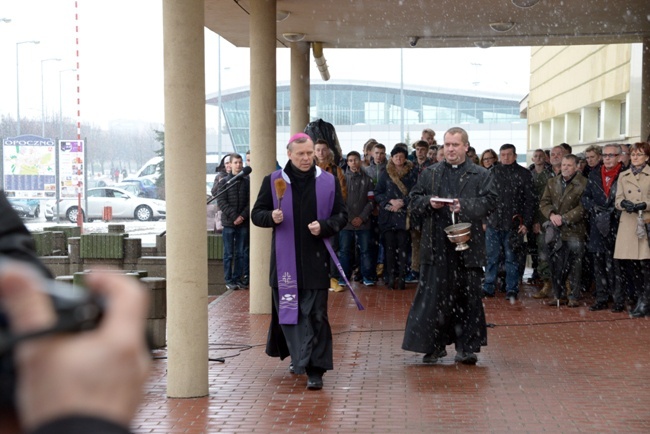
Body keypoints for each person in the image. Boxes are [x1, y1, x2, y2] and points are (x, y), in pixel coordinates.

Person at [251, 133, 347, 390]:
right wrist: (271, 216)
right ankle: (299, 357)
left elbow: (342, 215)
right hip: (285, 264)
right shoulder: (273, 181)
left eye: (310, 153)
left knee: (316, 316)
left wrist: (325, 226)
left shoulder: (327, 181)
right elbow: (256, 214)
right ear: (289, 154)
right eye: (301, 154)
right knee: (290, 315)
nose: (306, 158)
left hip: (315, 262)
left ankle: (316, 369)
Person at [402, 127, 497, 365]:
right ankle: (433, 346)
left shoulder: (480, 174)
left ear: (466, 146)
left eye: (455, 144)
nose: (450, 149)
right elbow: (413, 201)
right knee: (433, 298)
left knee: (468, 298)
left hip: (468, 246)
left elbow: (491, 202)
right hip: (435, 246)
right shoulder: (430, 173)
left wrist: (463, 205)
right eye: (447, 145)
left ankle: (466, 347)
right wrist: (429, 203)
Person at [482, 144, 536, 300]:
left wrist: (526, 222)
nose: (505, 157)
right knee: (491, 257)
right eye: (502, 154)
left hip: (514, 224)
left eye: (508, 154)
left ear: (515, 156)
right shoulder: (491, 173)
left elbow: (530, 201)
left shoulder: (524, 174)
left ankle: (511, 289)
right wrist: (484, 219)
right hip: (493, 222)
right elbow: (484, 199)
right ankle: (489, 287)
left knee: (512, 258)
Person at [539, 154, 587, 307]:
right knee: (556, 265)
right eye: (563, 165)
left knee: (575, 265)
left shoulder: (584, 183)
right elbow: (544, 202)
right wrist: (552, 214)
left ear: (576, 167)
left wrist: (565, 218)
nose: (565, 168)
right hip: (555, 231)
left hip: (574, 230)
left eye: (569, 165)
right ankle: (558, 295)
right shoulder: (552, 182)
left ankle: (573, 296)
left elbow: (583, 207)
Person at [582, 144, 624, 312]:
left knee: (616, 264)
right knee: (599, 264)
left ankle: (618, 299)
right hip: (597, 224)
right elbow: (585, 197)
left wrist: (614, 209)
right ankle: (602, 298)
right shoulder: (593, 174)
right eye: (605, 155)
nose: (607, 158)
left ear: (619, 157)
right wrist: (594, 207)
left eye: (611, 155)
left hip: (618, 224)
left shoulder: (625, 174)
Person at [614, 142, 650, 318]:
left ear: (647, 157)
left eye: (640, 154)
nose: (635, 157)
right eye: (633, 154)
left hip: (645, 222)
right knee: (632, 266)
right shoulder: (623, 175)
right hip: (628, 224)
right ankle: (639, 299)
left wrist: (645, 204)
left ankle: (645, 301)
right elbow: (618, 199)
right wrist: (624, 204)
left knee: (645, 265)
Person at [374, 146, 417, 290]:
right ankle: (390, 276)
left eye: (401, 156)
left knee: (403, 248)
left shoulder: (412, 173)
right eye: (396, 156)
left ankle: (403, 277)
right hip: (388, 216)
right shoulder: (385, 173)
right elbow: (377, 193)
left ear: (405, 159)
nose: (398, 159)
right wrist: (390, 201)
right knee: (389, 248)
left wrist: (402, 202)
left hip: (404, 216)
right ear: (391, 158)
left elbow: (415, 193)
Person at [339, 151, 376, 286]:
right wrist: (350, 217)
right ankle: (343, 278)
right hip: (346, 223)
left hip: (364, 222)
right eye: (350, 160)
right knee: (344, 251)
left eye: (355, 160)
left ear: (360, 161)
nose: (353, 163)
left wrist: (361, 217)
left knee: (366, 250)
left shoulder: (368, 179)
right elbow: (340, 201)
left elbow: (371, 201)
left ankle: (367, 276)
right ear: (347, 162)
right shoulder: (342, 179)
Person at [314, 139, 347, 290]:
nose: (321, 153)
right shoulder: (309, 170)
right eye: (318, 149)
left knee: (333, 247)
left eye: (323, 149)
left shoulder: (336, 170)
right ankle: (318, 277)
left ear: (328, 151)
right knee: (314, 248)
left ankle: (333, 278)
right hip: (312, 215)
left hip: (330, 215)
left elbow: (342, 193)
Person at [216, 153, 250, 291]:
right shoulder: (224, 182)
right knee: (229, 253)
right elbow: (221, 201)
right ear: (230, 165)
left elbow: (250, 201)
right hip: (229, 223)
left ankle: (238, 279)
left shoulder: (247, 182)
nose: (239, 165)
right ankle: (229, 280)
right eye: (236, 162)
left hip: (243, 222)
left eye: (240, 162)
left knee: (241, 253)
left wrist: (242, 216)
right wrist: (234, 216)